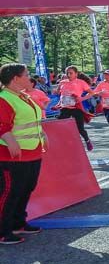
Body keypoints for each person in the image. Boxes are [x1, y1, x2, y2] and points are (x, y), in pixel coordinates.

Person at [0, 64, 46, 245]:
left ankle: (18, 223)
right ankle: (3, 231)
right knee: (9, 192)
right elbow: (2, 124)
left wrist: (43, 134)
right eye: (26, 75)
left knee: (26, 188)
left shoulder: (23, 96)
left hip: (32, 152)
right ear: (15, 79)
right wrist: (9, 140)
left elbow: (33, 121)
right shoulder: (4, 98)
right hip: (11, 156)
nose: (30, 78)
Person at [55, 65, 94, 151]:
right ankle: (65, 143)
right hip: (65, 108)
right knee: (60, 125)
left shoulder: (81, 82)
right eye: (67, 73)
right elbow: (59, 93)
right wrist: (57, 92)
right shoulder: (62, 82)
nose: (69, 75)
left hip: (76, 107)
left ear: (76, 74)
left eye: (71, 73)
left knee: (80, 128)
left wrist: (82, 98)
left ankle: (87, 140)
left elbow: (91, 93)